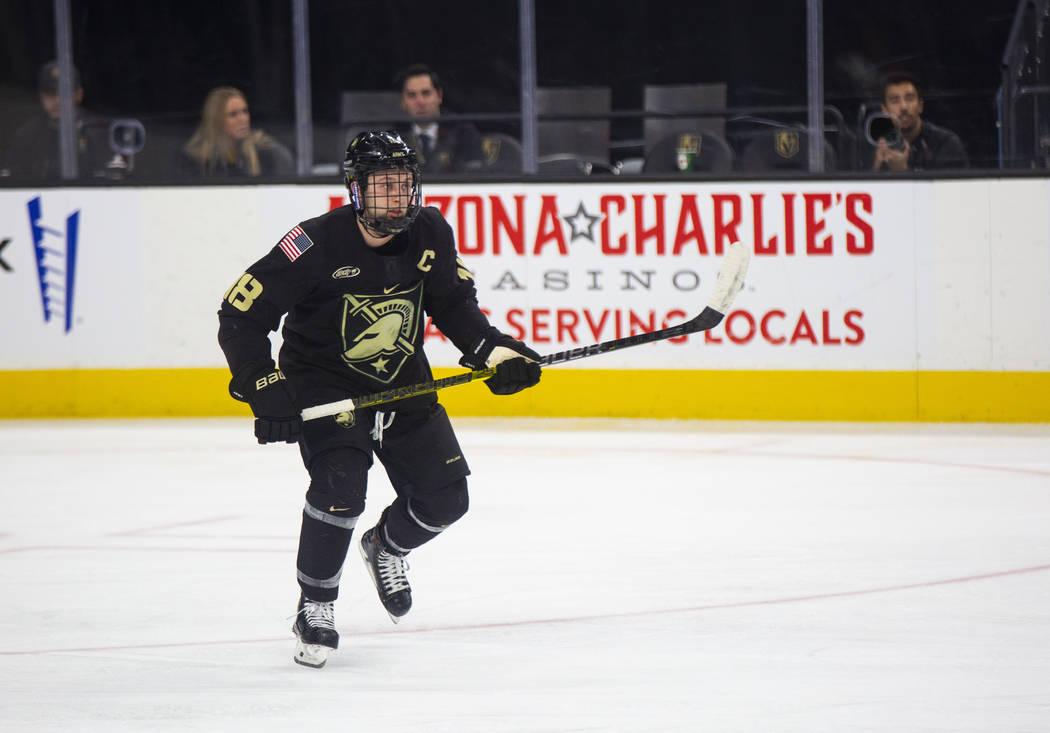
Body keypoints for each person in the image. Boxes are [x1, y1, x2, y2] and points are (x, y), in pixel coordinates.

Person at [217, 130, 541, 668]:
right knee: (341, 486)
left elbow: (454, 304)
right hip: (326, 385)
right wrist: (263, 386)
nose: (396, 197)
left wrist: (492, 351)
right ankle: (315, 607)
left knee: (447, 500)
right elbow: (240, 313)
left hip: (402, 380)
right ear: (356, 189)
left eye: (404, 184)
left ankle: (386, 546)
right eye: (383, 185)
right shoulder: (314, 244)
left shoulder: (431, 231)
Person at [4, 60, 111, 179]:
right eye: (51, 94)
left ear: (78, 95)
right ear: (41, 97)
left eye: (65, 94)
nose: (58, 101)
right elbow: (14, 178)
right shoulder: (27, 135)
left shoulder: (100, 132)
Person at [176, 86, 294, 177]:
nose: (243, 119)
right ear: (216, 120)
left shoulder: (268, 153)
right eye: (233, 114)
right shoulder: (196, 160)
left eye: (245, 111)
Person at [871, 71, 968, 172]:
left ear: (920, 106)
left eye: (909, 99)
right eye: (895, 101)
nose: (903, 107)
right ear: (884, 110)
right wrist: (876, 169)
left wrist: (901, 170)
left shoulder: (946, 143)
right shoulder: (874, 144)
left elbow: (952, 187)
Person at [395, 63, 482, 173]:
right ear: (403, 102)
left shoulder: (463, 131)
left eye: (426, 93)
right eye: (412, 95)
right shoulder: (394, 138)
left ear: (439, 96)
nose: (420, 102)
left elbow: (473, 176)